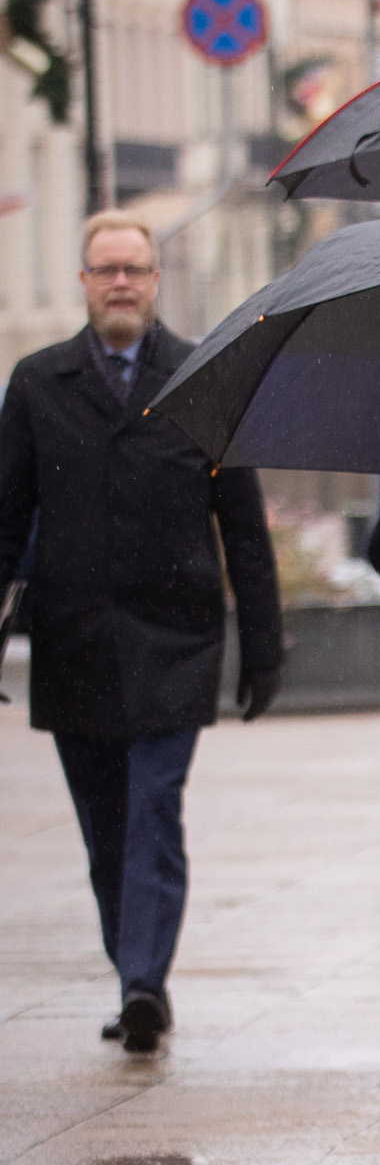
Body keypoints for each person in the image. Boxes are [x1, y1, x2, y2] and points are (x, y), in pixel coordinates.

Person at [0, 211, 282, 1054]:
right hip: (74, 640)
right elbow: (7, 521)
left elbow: (243, 525)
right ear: (85, 282)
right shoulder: (38, 383)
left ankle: (143, 984)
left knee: (153, 808)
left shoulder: (201, 378)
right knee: (104, 825)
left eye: (134, 269)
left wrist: (261, 650)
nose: (120, 283)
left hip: (174, 642)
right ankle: (133, 967)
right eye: (104, 270)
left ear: (156, 281)